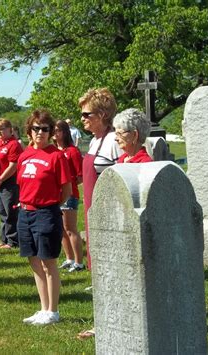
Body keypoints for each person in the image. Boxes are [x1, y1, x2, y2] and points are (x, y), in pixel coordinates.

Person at [77, 108, 153, 341]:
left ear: (135, 136)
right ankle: (110, 323)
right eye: (117, 132)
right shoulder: (121, 160)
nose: (117, 137)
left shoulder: (145, 163)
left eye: (121, 133)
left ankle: (134, 325)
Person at [17, 110, 72, 326]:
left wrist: (50, 205)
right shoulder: (24, 155)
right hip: (25, 212)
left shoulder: (56, 156)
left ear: (51, 132)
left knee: (48, 262)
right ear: (29, 131)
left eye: (45, 129)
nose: (40, 132)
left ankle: (53, 310)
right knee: (34, 261)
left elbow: (66, 189)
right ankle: (43, 308)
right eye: (36, 128)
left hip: (46, 213)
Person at [79, 88, 122, 270]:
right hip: (92, 205)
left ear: (102, 114)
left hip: (109, 207)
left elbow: (121, 177)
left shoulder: (114, 140)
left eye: (86, 114)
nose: (82, 118)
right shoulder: (94, 141)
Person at [53, 120, 84, 272]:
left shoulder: (72, 151)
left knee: (70, 228)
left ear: (64, 132)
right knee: (61, 229)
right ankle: (69, 258)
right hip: (55, 195)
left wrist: (69, 187)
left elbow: (80, 175)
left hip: (69, 194)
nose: (54, 133)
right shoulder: (53, 150)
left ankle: (79, 262)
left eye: (57, 130)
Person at [0, 118, 23, 249]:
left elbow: (13, 166)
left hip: (9, 182)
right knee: (2, 212)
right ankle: (4, 239)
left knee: (11, 212)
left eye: (2, 129)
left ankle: (13, 241)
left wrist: (0, 179)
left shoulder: (13, 144)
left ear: (10, 130)